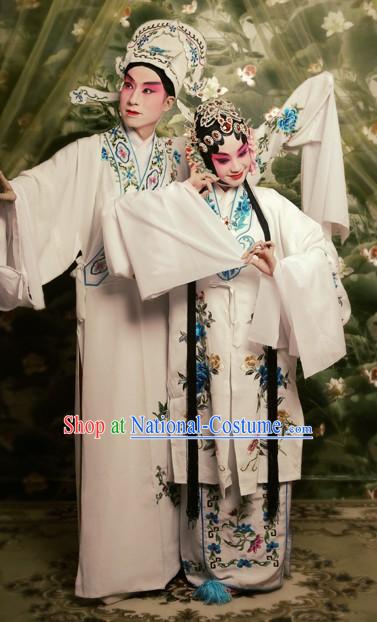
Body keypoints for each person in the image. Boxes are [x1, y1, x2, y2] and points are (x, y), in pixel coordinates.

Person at [101, 97, 350, 603]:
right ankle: (205, 564)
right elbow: (122, 225)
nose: (236, 167)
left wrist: (280, 267)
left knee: (260, 443)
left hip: (259, 350)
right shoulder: (185, 206)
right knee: (208, 444)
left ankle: (260, 564)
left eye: (243, 154)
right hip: (202, 349)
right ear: (202, 157)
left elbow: (322, 259)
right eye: (222, 159)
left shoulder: (273, 207)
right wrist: (181, 194)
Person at [0, 19, 207, 602]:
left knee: (163, 431)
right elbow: (44, 188)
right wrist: (13, 193)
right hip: (110, 311)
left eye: (149, 89)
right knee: (111, 430)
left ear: (169, 101)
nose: (133, 97)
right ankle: (112, 567)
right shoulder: (91, 153)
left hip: (163, 313)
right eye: (128, 85)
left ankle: (166, 556)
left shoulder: (177, 157)